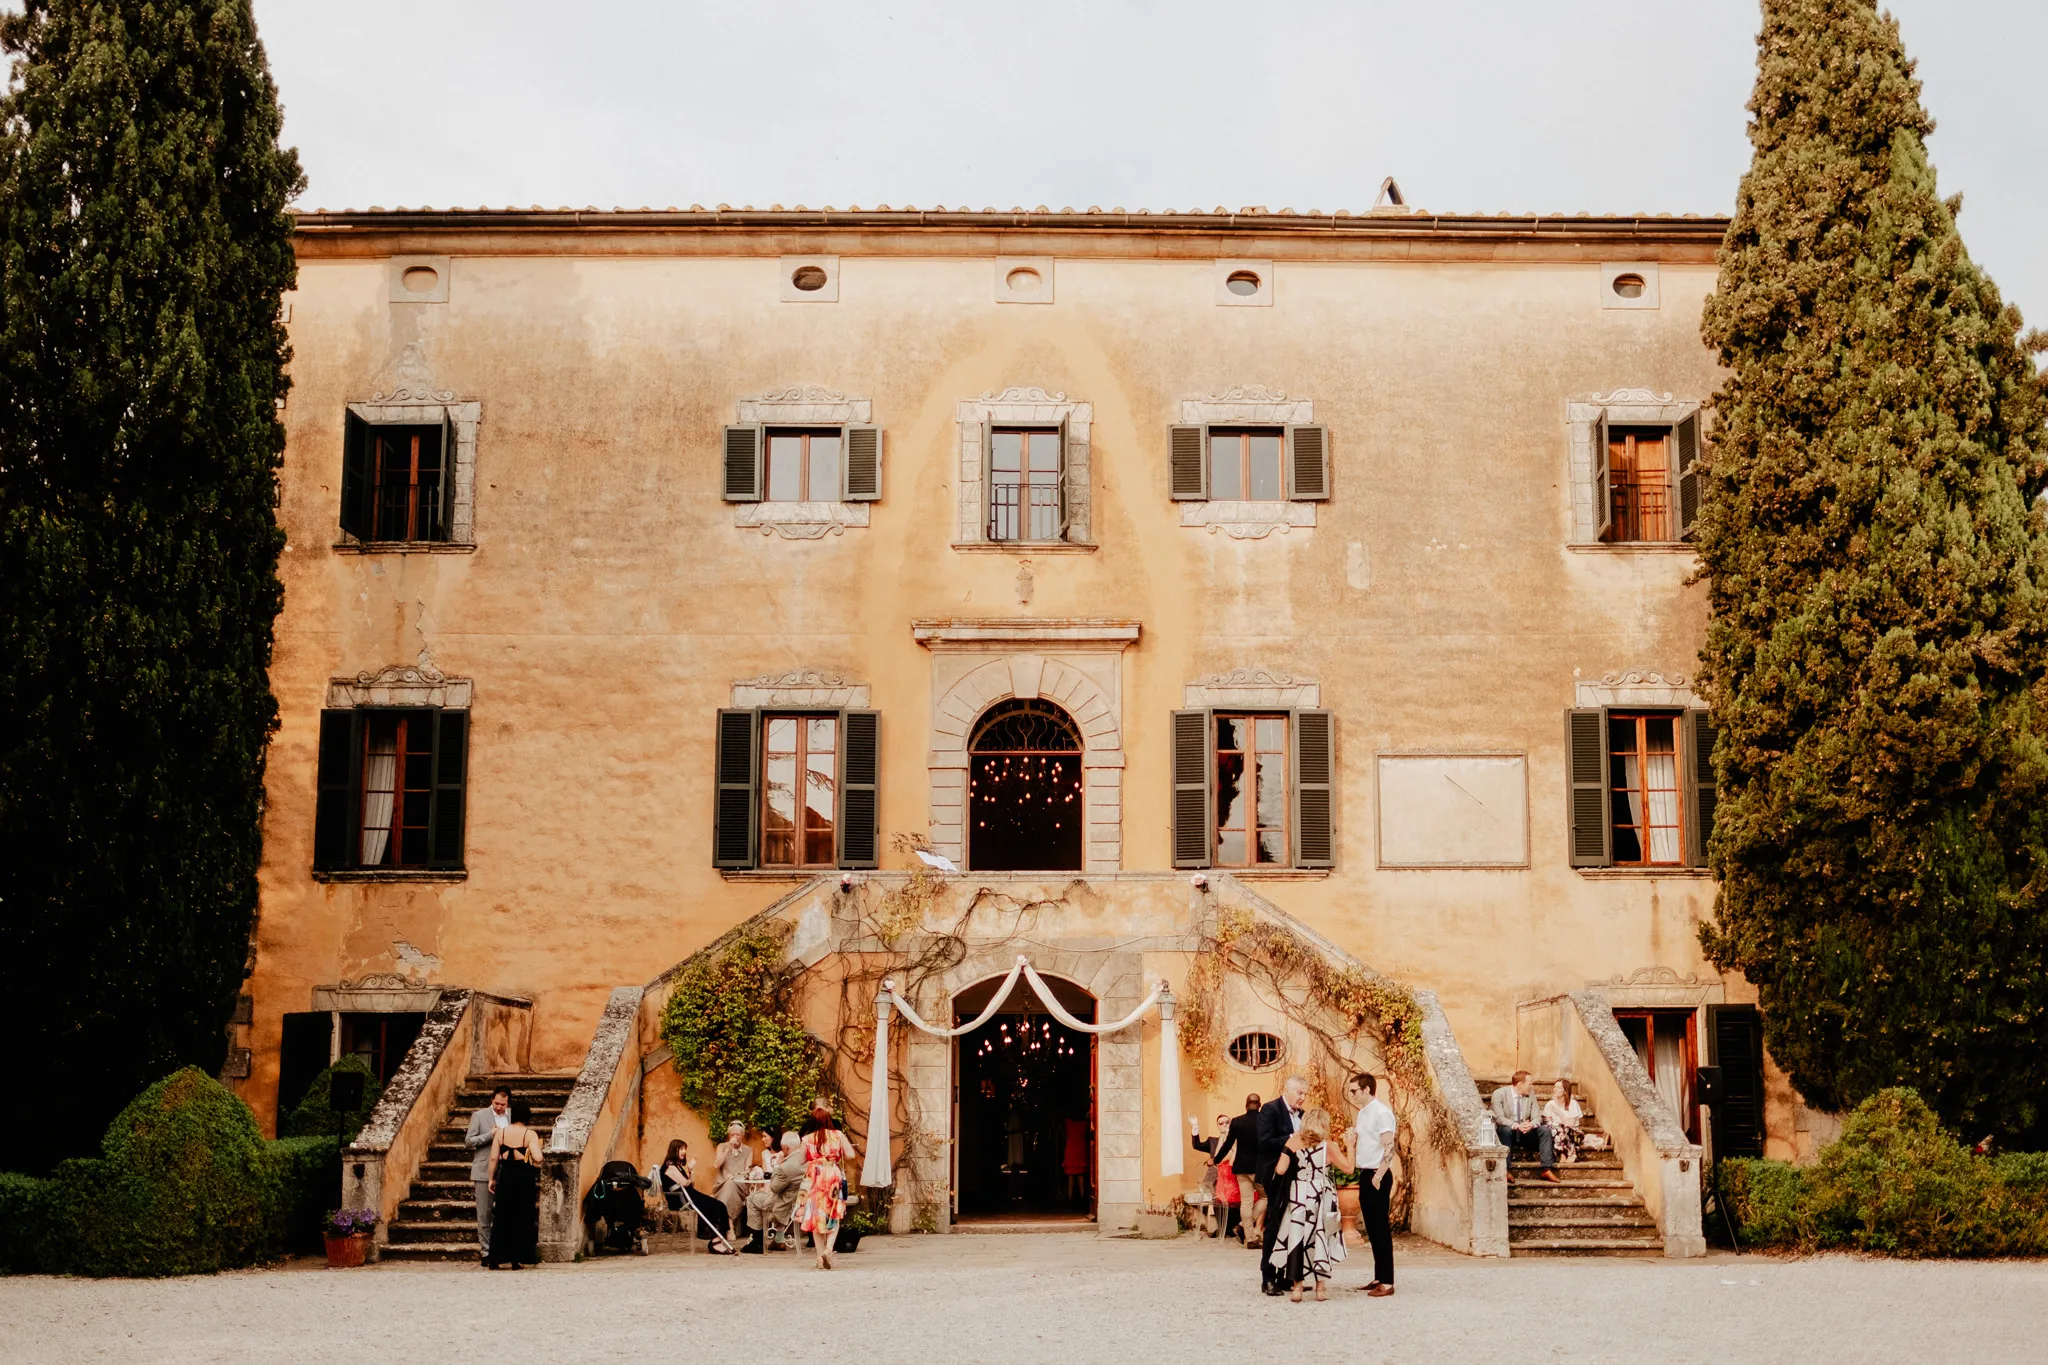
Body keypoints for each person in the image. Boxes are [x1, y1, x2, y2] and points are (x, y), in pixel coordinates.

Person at [1267, 1106, 1345, 1302]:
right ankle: (1320, 1289)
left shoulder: (1293, 1142)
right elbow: (1349, 1168)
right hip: (1321, 1192)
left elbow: (1281, 1169)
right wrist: (1351, 1145)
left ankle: (1297, 1288)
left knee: (1296, 1238)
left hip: (1299, 1192)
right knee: (1321, 1235)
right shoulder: (1329, 1145)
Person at [1254, 1075, 1309, 1296]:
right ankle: (1267, 1277)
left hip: (1297, 1176)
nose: (1303, 1098)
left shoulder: (1303, 1115)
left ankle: (1285, 1275)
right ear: (1287, 1089)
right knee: (1275, 1225)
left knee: (1293, 1225)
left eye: (1305, 1094)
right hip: (1275, 1176)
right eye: (1299, 1093)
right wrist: (1292, 1137)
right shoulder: (1270, 1109)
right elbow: (1264, 1142)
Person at [1345, 1072, 1398, 1297]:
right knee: (1373, 1229)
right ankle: (1379, 1276)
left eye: (1355, 1090)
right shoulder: (1364, 1113)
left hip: (1378, 1174)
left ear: (1367, 1089)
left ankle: (1387, 1282)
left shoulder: (1382, 1113)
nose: (1352, 1095)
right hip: (1366, 1172)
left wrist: (1378, 1175)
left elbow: (1390, 1147)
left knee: (1380, 1228)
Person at [485, 1099, 545, 1268]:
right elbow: (538, 1158)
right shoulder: (529, 1134)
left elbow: (493, 1158)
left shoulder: (501, 1133)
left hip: (505, 1177)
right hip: (523, 1179)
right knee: (521, 1216)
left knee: (502, 1216)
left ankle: (495, 1258)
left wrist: (491, 1179)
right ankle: (516, 1258)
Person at [464, 1085, 511, 1263]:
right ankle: (486, 1252)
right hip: (484, 1169)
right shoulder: (479, 1116)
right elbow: (468, 1141)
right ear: (492, 1100)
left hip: (506, 1169)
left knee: (504, 1213)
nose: (499, 1107)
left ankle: (502, 1249)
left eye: (503, 1104)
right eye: (496, 1103)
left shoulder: (511, 1117)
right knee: (484, 1213)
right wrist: (489, 1135)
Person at [801, 1115, 854, 1270]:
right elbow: (851, 1154)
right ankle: (829, 1249)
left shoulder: (807, 1138)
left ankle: (819, 1258)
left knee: (816, 1217)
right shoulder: (838, 1135)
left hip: (815, 1176)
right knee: (834, 1213)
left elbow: (800, 1160)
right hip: (833, 1174)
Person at [1210, 1095, 1262, 1245]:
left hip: (1241, 1168)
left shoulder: (1237, 1122)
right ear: (1259, 1105)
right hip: (1258, 1168)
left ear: (1246, 1105)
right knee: (1266, 1198)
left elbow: (1228, 1144)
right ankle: (1242, 1226)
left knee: (1246, 1202)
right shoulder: (1265, 1121)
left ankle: (1250, 1237)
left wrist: (1216, 1159)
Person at [1490, 1070, 1558, 1183]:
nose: (1531, 1086)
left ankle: (1546, 1168)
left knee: (1545, 1130)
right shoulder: (1499, 1094)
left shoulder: (1530, 1094)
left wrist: (1531, 1124)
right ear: (1520, 1084)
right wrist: (1516, 1125)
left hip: (1525, 1132)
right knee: (1505, 1130)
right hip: (1508, 1132)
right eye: (1529, 1083)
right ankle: (1505, 1170)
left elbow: (1537, 1116)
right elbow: (1499, 1118)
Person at [745, 1132, 806, 1252]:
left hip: (785, 1204)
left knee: (752, 1199)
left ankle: (757, 1242)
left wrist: (777, 1165)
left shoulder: (786, 1167)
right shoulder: (806, 1161)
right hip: (800, 1201)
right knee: (777, 1197)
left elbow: (774, 1187)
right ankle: (779, 1240)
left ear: (785, 1148)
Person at [1191, 1112, 1244, 1241]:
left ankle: (1231, 1227)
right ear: (1218, 1126)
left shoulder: (1238, 1141)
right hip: (1215, 1178)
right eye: (1221, 1123)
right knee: (1217, 1196)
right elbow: (1197, 1145)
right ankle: (1222, 1228)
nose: (1224, 1125)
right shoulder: (1213, 1141)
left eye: (1227, 1122)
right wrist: (1195, 1126)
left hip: (1233, 1177)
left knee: (1235, 1197)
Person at [712, 1120, 752, 1225]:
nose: (735, 1137)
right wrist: (728, 1148)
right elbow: (716, 1165)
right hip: (722, 1184)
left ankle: (725, 1223)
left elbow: (748, 1170)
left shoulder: (748, 1150)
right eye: (732, 1134)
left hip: (740, 1184)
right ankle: (729, 1223)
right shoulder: (722, 1146)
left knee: (732, 1183)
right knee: (729, 1184)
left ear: (742, 1135)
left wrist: (737, 1176)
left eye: (738, 1134)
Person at [1543, 1079, 1584, 1165]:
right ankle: (1568, 1153)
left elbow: (1569, 1124)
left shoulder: (1573, 1104)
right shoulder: (1550, 1104)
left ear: (1565, 1091)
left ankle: (1564, 1153)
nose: (1555, 1089)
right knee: (1554, 1127)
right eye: (1554, 1087)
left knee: (1561, 1128)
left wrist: (1558, 1110)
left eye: (1558, 1087)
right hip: (1557, 1135)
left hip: (1573, 1134)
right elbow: (1548, 1123)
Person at [653, 1138, 693, 1211]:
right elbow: (686, 1183)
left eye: (685, 1149)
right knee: (715, 1205)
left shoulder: (677, 1166)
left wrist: (690, 1171)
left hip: (688, 1196)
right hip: (680, 1199)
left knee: (716, 1204)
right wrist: (691, 1173)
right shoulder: (670, 1166)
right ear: (674, 1150)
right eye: (681, 1149)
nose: (684, 1151)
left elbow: (690, 1184)